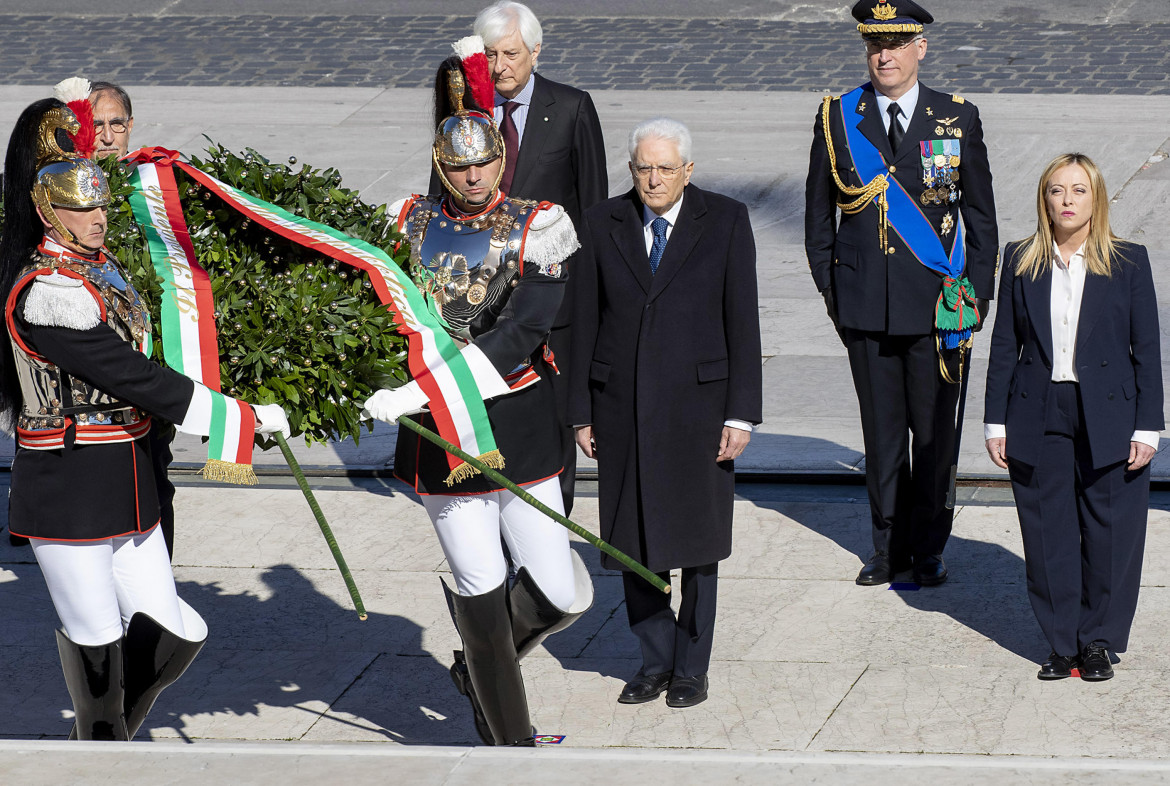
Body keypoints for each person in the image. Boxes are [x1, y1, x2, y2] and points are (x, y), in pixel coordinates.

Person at [0, 98, 290, 739]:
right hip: (69, 488)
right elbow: (127, 374)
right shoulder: (48, 291)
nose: (100, 217)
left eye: (102, 205)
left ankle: (96, 744)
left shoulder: (99, 271)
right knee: (98, 639)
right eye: (84, 207)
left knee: (179, 627)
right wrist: (231, 417)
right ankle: (102, 753)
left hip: (128, 483)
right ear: (50, 211)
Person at [363, 40, 593, 747]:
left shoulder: (540, 224)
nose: (471, 174)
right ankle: (508, 735)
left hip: (517, 423)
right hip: (443, 440)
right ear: (441, 163)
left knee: (561, 590)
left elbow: (521, 333)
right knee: (481, 588)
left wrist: (416, 393)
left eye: (482, 161)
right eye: (457, 163)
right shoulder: (406, 220)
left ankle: (478, 668)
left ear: (502, 159)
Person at [804, 0, 999, 587]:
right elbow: (819, 218)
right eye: (873, 44)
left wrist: (977, 302)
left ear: (921, 48)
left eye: (895, 43)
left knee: (935, 435)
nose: (883, 54)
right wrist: (836, 297)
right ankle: (888, 546)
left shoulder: (956, 118)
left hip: (938, 311)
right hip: (865, 307)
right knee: (882, 435)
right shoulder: (838, 116)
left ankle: (930, 544)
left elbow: (982, 219)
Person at [569, 117, 762, 708]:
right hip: (621, 408)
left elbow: (742, 322)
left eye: (664, 169)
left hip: (700, 410)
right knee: (633, 540)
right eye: (643, 168)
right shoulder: (602, 222)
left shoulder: (725, 221)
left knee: (699, 544)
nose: (653, 179)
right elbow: (585, 320)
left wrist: (741, 414)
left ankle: (691, 667)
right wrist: (581, 411)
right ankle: (654, 660)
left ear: (688, 171)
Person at [984, 153, 1162, 682]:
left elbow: (1146, 351)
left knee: (1111, 533)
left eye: (1078, 191)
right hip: (1038, 409)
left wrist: (1148, 426)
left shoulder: (1128, 261)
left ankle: (1098, 641)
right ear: (1044, 198)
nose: (1067, 200)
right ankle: (1062, 644)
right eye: (1057, 190)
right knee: (1047, 531)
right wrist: (997, 423)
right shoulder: (1021, 258)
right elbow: (1003, 347)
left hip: (1111, 411)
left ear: (1096, 199)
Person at [430, 1, 608, 516]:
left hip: (551, 302)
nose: (502, 65)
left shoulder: (572, 107)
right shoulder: (466, 115)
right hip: (477, 299)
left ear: (535, 51)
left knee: (553, 421)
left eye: (511, 53)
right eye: (490, 55)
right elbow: (439, 194)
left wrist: (594, 296)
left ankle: (554, 524)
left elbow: (592, 209)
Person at [89, 81, 134, 159]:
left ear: (129, 125)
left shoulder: (148, 170)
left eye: (116, 124)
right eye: (96, 126)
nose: (108, 139)